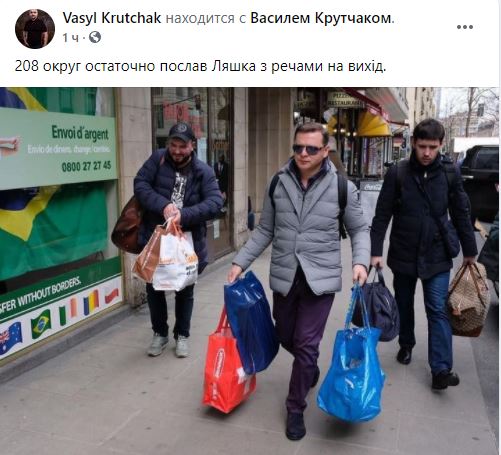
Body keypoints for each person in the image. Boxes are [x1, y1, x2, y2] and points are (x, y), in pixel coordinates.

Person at [227, 122, 369, 441]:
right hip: (285, 276)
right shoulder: (278, 182)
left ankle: (295, 407)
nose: (303, 153)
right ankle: (309, 366)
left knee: (306, 344)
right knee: (284, 335)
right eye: (298, 147)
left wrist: (360, 261)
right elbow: (265, 230)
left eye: (311, 148)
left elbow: (360, 229)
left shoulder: (342, 187)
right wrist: (239, 262)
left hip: (321, 279)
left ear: (325, 151)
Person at [370, 118, 477, 390]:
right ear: (413, 144)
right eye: (422, 147)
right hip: (403, 252)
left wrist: (469, 251)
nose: (427, 153)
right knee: (404, 303)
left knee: (437, 308)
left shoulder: (450, 173)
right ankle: (406, 343)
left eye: (432, 147)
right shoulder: (398, 173)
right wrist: (375, 251)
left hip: (437, 253)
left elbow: (461, 212)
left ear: (441, 145)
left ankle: (441, 369)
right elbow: (382, 214)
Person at [134, 122, 223, 358]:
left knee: (185, 289)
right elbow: (140, 185)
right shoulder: (158, 159)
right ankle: (160, 333)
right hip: (157, 238)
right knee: (154, 288)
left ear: (192, 145)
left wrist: (184, 215)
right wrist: (163, 206)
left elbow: (215, 203)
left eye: (182, 146)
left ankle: (182, 335)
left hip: (187, 240)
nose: (176, 150)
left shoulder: (204, 171)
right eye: (173, 145)